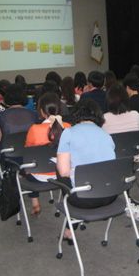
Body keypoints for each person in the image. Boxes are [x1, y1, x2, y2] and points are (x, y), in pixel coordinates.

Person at [56, 99, 116, 241]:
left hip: (83, 198)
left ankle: (70, 227)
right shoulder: (106, 135)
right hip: (109, 195)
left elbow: (64, 172)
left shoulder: (68, 133)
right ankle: (69, 229)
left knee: (60, 170)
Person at [24, 92, 71, 215]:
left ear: (41, 111)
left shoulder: (34, 129)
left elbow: (28, 153)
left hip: (38, 176)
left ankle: (35, 203)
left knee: (27, 166)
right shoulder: (68, 127)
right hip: (63, 175)